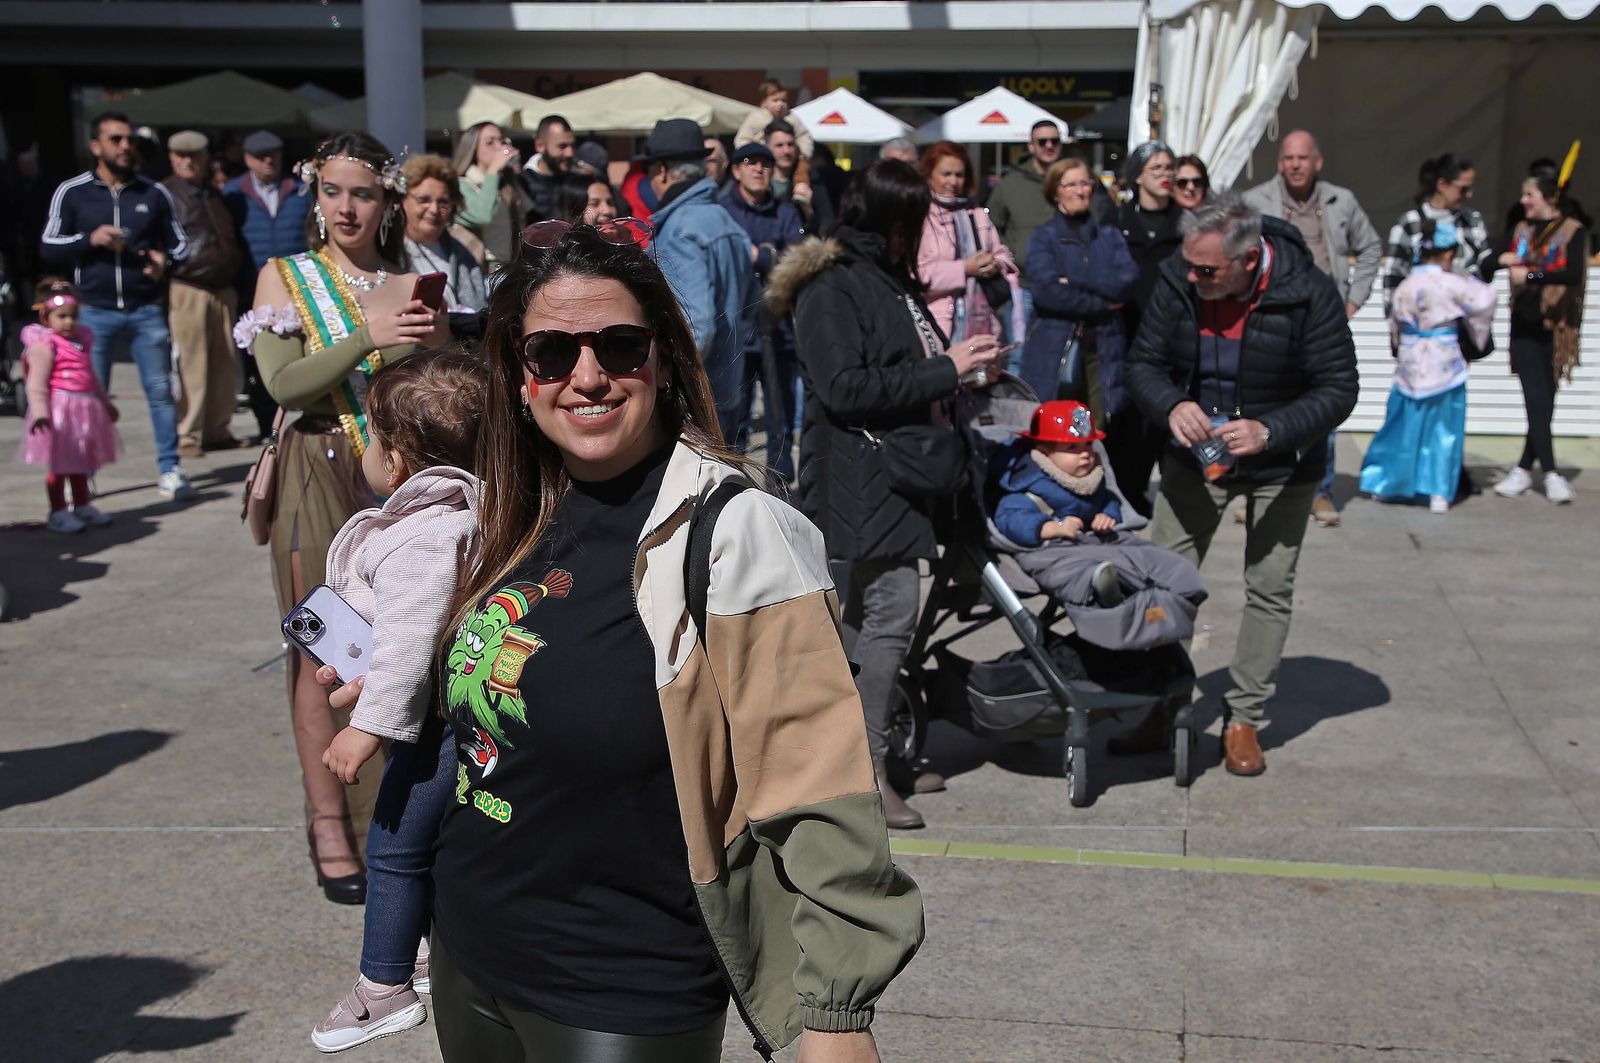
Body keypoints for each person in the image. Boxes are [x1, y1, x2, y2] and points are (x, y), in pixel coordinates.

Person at [324, 215, 924, 1062]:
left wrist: (838, 1011)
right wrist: (412, 677)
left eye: (619, 346)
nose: (588, 375)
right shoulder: (510, 510)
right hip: (470, 951)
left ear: (665, 360)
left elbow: (817, 778)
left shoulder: (737, 530)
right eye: (552, 354)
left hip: (623, 988)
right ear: (518, 376)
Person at [236, 131, 449, 905]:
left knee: (401, 640)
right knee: (320, 645)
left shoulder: (412, 276)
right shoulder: (285, 276)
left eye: (363, 191)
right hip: (315, 468)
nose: (347, 206)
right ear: (314, 197)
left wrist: (436, 342)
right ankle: (331, 824)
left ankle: (392, 816)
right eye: (333, 191)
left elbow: (441, 381)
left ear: (387, 200)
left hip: (394, 470)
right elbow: (285, 384)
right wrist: (368, 337)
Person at [766, 159, 1004, 829]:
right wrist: (944, 369)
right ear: (888, 218)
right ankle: (863, 768)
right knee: (890, 609)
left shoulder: (883, 277)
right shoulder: (832, 285)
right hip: (856, 474)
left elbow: (891, 367)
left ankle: (859, 754)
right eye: (914, 218)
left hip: (890, 471)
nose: (923, 230)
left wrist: (960, 367)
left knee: (863, 621)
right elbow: (844, 388)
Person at [1123, 194, 1358, 776]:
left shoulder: (1309, 292)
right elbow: (1143, 364)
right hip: (1192, 458)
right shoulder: (1180, 280)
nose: (1193, 276)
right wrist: (1170, 404)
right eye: (1188, 264)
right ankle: (1163, 702)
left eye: (1208, 269)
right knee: (1162, 582)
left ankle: (1243, 717)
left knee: (1270, 586)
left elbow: (1338, 387)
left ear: (1249, 259)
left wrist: (1272, 429)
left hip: (1281, 463)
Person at [311, 349, 487, 1053]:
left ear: (403, 458)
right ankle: (417, 947)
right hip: (443, 717)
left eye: (374, 438)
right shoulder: (466, 512)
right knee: (421, 845)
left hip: (429, 727)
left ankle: (384, 986)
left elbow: (410, 645)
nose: (367, 450)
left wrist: (367, 727)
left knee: (390, 845)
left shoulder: (425, 536)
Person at [39, 110, 194, 501]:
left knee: (160, 392)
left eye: (129, 140)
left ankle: (170, 469)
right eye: (116, 140)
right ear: (96, 146)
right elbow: (48, 245)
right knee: (86, 396)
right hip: (92, 312)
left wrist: (165, 262)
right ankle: (83, 475)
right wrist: (90, 239)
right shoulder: (73, 192)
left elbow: (179, 245)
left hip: (145, 309)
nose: (125, 147)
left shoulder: (152, 193)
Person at [1241, 130, 1380, 530]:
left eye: (1302, 158)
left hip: (1324, 319)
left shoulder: (1341, 200)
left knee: (1324, 405)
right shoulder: (1256, 201)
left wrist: (1354, 300)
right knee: (1263, 401)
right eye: (1288, 158)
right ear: (1279, 162)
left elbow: (1370, 247)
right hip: (1269, 317)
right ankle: (1255, 487)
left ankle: (1320, 490)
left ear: (1317, 161)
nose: (1295, 165)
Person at [1359, 219, 1496, 513]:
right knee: (1443, 429)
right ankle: (1437, 492)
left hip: (1411, 360)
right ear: (1448, 254)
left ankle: (1388, 483)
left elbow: (1395, 324)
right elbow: (1485, 301)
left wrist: (1400, 346)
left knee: (1402, 425)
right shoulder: (1455, 284)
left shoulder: (1406, 285)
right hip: (1444, 361)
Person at [638, 118, 754, 442]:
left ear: (661, 170)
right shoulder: (724, 219)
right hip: (729, 385)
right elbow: (751, 305)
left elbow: (697, 327)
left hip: (696, 398)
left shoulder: (680, 229)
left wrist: (663, 379)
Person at [1486, 163, 1587, 504]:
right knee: (1535, 399)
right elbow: (1487, 266)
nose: (1523, 200)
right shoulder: (1520, 229)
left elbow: (1572, 274)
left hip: (1558, 328)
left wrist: (1530, 276)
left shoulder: (1573, 231)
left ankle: (1524, 469)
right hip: (1524, 328)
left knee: (1545, 402)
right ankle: (1553, 473)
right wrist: (1502, 259)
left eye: (1529, 194)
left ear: (1548, 197)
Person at [1020, 157, 1138, 427]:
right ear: (1055, 191)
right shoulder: (1043, 237)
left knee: (1099, 427)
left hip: (1105, 346)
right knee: (1058, 426)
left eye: (1084, 183)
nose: (1079, 190)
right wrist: (1103, 304)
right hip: (1055, 344)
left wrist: (1073, 281)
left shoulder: (1110, 236)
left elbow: (1126, 282)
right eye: (1070, 184)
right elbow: (1048, 292)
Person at [719, 141, 805, 482]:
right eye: (750, 163)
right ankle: (732, 480)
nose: (759, 169)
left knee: (779, 413)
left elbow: (796, 259)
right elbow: (726, 257)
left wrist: (762, 256)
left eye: (765, 164)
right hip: (735, 328)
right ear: (737, 170)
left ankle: (781, 481)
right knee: (734, 413)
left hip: (777, 326)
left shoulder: (785, 212)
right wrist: (765, 255)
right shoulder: (723, 210)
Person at [162, 130, 247, 457]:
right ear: (171, 157)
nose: (188, 161)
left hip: (221, 287)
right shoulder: (166, 193)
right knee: (191, 363)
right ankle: (188, 433)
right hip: (188, 287)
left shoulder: (213, 193)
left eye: (194, 155)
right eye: (181, 155)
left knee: (224, 363)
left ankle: (216, 428)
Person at [1114, 141, 1185, 517]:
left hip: (1172, 336)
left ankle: (1167, 492)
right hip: (1124, 332)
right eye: (1156, 168)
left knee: (1163, 418)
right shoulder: (1118, 221)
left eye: (1169, 168)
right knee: (1126, 421)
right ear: (1138, 176)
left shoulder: (1187, 223)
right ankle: (1128, 491)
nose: (1165, 175)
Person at [226, 129, 311, 440]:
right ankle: (267, 425)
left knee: (298, 355)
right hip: (252, 287)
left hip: (298, 286)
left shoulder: (300, 191)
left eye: (273, 154)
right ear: (247, 159)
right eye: (261, 156)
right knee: (258, 361)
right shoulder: (233, 194)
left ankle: (298, 418)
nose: (268, 161)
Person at [17, 278, 119, 533]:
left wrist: (106, 405)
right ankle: (58, 511)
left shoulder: (81, 342)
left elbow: (92, 379)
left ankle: (82, 504)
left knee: (81, 462)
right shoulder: (44, 346)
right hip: (60, 411)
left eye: (73, 316)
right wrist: (40, 413)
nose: (69, 322)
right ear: (46, 317)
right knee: (60, 464)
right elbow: (36, 383)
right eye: (61, 316)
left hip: (84, 410)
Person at [916, 140, 1022, 347]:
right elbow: (916, 276)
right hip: (937, 325)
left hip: (983, 323)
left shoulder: (976, 214)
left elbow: (1004, 254)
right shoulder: (920, 216)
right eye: (946, 174)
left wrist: (995, 263)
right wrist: (965, 269)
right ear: (929, 175)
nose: (953, 182)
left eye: (959, 175)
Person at [991, 399, 1122, 548]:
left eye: (1088, 444)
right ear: (1044, 454)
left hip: (1090, 544)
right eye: (1072, 447)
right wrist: (1051, 528)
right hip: (1051, 548)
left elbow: (1108, 498)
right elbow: (1008, 517)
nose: (1085, 453)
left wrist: (1107, 515)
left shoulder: (1093, 479)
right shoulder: (1029, 484)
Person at [1380, 153, 1494, 315]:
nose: (1469, 195)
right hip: (1422, 322)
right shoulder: (1410, 223)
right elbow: (1393, 276)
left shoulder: (1472, 220)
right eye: (1463, 189)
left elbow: (1486, 267)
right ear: (1442, 184)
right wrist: (1397, 320)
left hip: (1466, 320)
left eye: (1471, 188)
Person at [400, 154, 488, 316]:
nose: (434, 210)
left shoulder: (463, 256)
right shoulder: (389, 252)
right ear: (402, 201)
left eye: (443, 203)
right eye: (423, 200)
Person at [451, 121, 528, 269]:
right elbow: (482, 215)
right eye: (490, 142)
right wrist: (493, 170)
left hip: (509, 267)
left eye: (501, 141)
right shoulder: (461, 185)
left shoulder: (504, 184)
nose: (499, 147)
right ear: (473, 149)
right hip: (480, 268)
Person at [768, 119, 834, 235]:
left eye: (790, 144)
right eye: (779, 145)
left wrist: (807, 209)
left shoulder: (811, 178)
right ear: (767, 147)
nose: (786, 151)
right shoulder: (760, 179)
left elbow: (828, 226)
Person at [520, 115, 582, 223]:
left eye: (572, 146)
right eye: (562, 146)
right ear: (540, 145)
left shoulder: (581, 179)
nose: (570, 153)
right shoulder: (523, 183)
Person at [733, 77, 815, 158]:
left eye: (783, 100)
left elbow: (803, 137)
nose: (780, 104)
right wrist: (752, 154)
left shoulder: (792, 118)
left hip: (787, 158)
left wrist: (803, 155)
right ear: (764, 102)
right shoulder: (756, 118)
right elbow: (742, 139)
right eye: (775, 100)